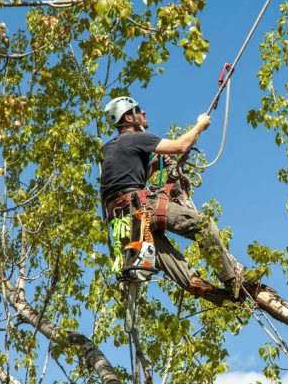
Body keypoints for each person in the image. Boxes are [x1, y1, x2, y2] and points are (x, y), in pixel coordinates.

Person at [100, 96, 243, 305]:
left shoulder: (110, 148)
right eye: (139, 110)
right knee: (203, 225)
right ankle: (232, 280)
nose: (144, 113)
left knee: (169, 260)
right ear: (129, 118)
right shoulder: (136, 138)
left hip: (123, 222)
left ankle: (214, 295)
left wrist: (157, 165)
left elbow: (128, 178)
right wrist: (200, 125)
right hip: (139, 207)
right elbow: (181, 145)